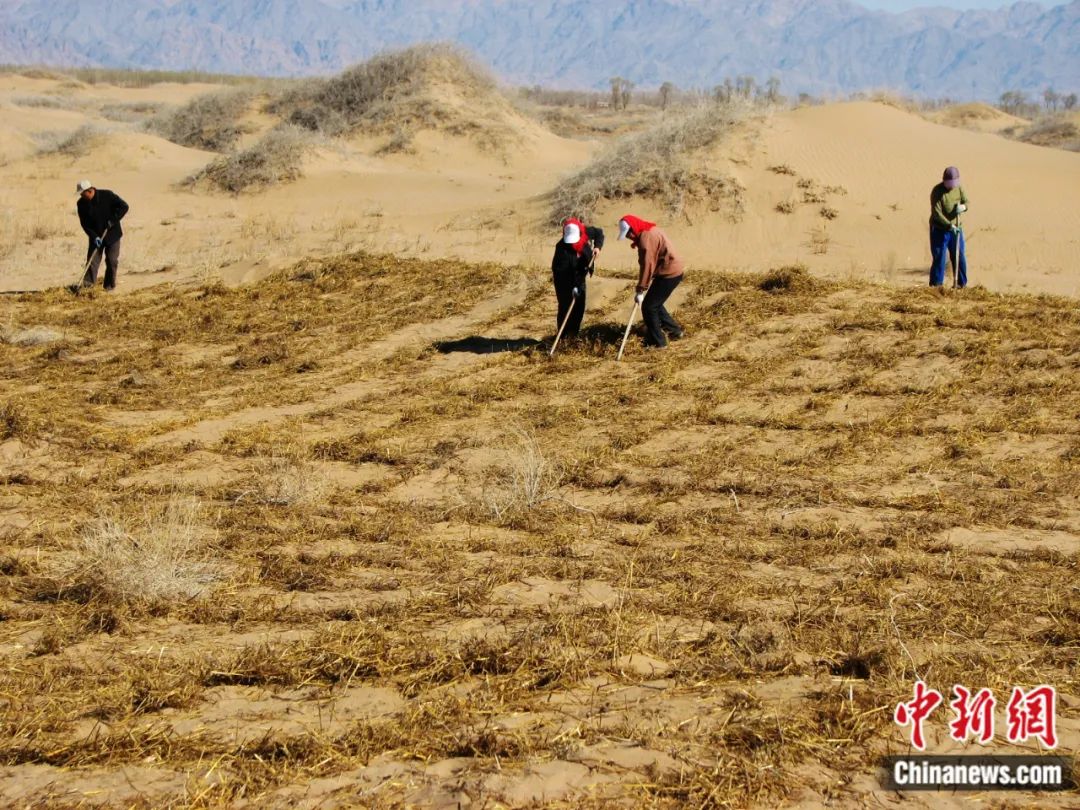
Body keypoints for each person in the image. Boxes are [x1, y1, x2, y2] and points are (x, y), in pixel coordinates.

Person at [618, 214, 685, 348]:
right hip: (669, 270)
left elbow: (648, 265)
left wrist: (641, 289)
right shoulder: (647, 231)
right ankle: (675, 331)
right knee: (655, 303)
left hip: (669, 273)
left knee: (649, 307)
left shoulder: (646, 238)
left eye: (629, 233)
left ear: (634, 228)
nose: (628, 236)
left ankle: (659, 341)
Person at [551, 217, 604, 339]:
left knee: (579, 307)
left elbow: (599, 233)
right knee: (565, 306)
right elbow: (561, 272)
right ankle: (563, 336)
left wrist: (597, 247)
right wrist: (573, 286)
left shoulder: (585, 232)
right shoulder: (561, 249)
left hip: (580, 275)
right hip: (564, 281)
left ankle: (573, 334)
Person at [76, 179, 129, 291]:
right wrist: (94, 236)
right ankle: (88, 288)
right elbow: (85, 224)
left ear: (89, 191)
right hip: (96, 236)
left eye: (82, 193)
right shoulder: (81, 204)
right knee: (92, 262)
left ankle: (109, 287)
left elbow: (124, 206)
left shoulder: (107, 195)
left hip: (112, 235)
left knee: (111, 261)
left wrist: (113, 221)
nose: (81, 196)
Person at [929, 166, 968, 288]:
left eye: (954, 183)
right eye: (949, 183)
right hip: (940, 230)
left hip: (956, 229)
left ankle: (961, 284)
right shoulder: (937, 191)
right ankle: (936, 285)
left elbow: (966, 201)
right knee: (940, 257)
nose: (951, 186)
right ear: (944, 180)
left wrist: (964, 207)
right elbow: (937, 213)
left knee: (959, 255)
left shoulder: (959, 188)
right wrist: (949, 225)